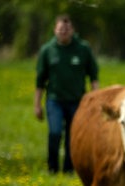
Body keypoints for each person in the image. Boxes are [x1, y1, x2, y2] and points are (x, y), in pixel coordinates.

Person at [34, 14, 99, 174]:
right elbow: (40, 81)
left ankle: (69, 168)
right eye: (60, 29)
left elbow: (93, 76)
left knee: (73, 136)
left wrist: (95, 99)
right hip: (54, 100)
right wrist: (37, 104)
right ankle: (53, 167)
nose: (64, 32)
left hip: (77, 101)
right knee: (55, 132)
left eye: (67, 29)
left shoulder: (83, 49)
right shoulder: (47, 50)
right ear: (55, 30)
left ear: (72, 30)